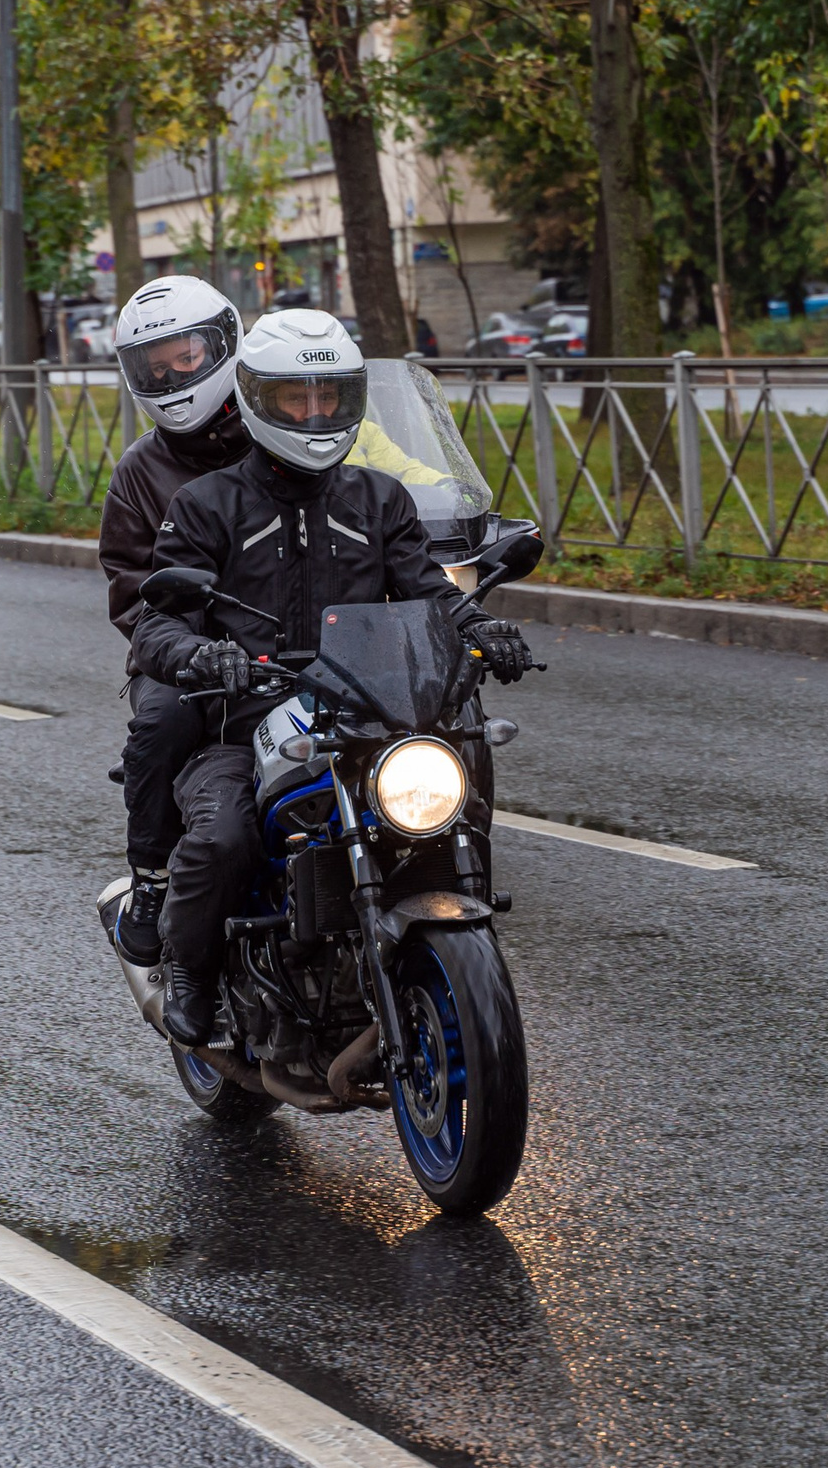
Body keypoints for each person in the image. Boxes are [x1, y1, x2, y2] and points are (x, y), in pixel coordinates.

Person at [131, 308, 534, 1047]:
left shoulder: (379, 499)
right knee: (223, 837)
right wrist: (199, 655)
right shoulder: (206, 504)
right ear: (257, 398)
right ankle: (187, 967)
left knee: (452, 785)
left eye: (329, 396)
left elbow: (428, 590)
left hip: (364, 713)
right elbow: (157, 618)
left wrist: (480, 629)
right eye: (295, 398)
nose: (315, 412)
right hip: (240, 723)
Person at [97, 275, 249, 964]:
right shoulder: (138, 471)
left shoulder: (280, 436)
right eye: (154, 364)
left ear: (222, 343)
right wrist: (189, 648)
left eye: (184, 355)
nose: (171, 373)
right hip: (185, 655)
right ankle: (152, 879)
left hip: (293, 637)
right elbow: (129, 585)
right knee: (162, 722)